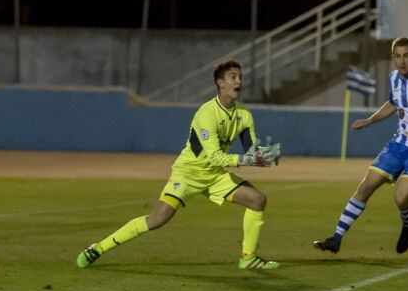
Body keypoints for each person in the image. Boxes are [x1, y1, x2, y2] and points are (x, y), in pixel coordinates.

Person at [76, 60, 282, 270]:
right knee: (158, 219)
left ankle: (248, 258)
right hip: (187, 174)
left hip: (214, 176)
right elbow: (215, 157)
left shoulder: (244, 115)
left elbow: (250, 151)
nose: (239, 81)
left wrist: (263, 156)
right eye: (233, 77)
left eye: (240, 77)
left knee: (257, 200)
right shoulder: (207, 113)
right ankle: (98, 248)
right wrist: (248, 159)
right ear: (221, 83)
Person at [313, 38, 408, 255]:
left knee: (401, 197)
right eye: (397, 56)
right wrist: (369, 120)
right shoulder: (393, 78)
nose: (402, 61)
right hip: (398, 143)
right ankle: (336, 238)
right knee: (365, 187)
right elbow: (392, 104)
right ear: (393, 58)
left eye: (406, 56)